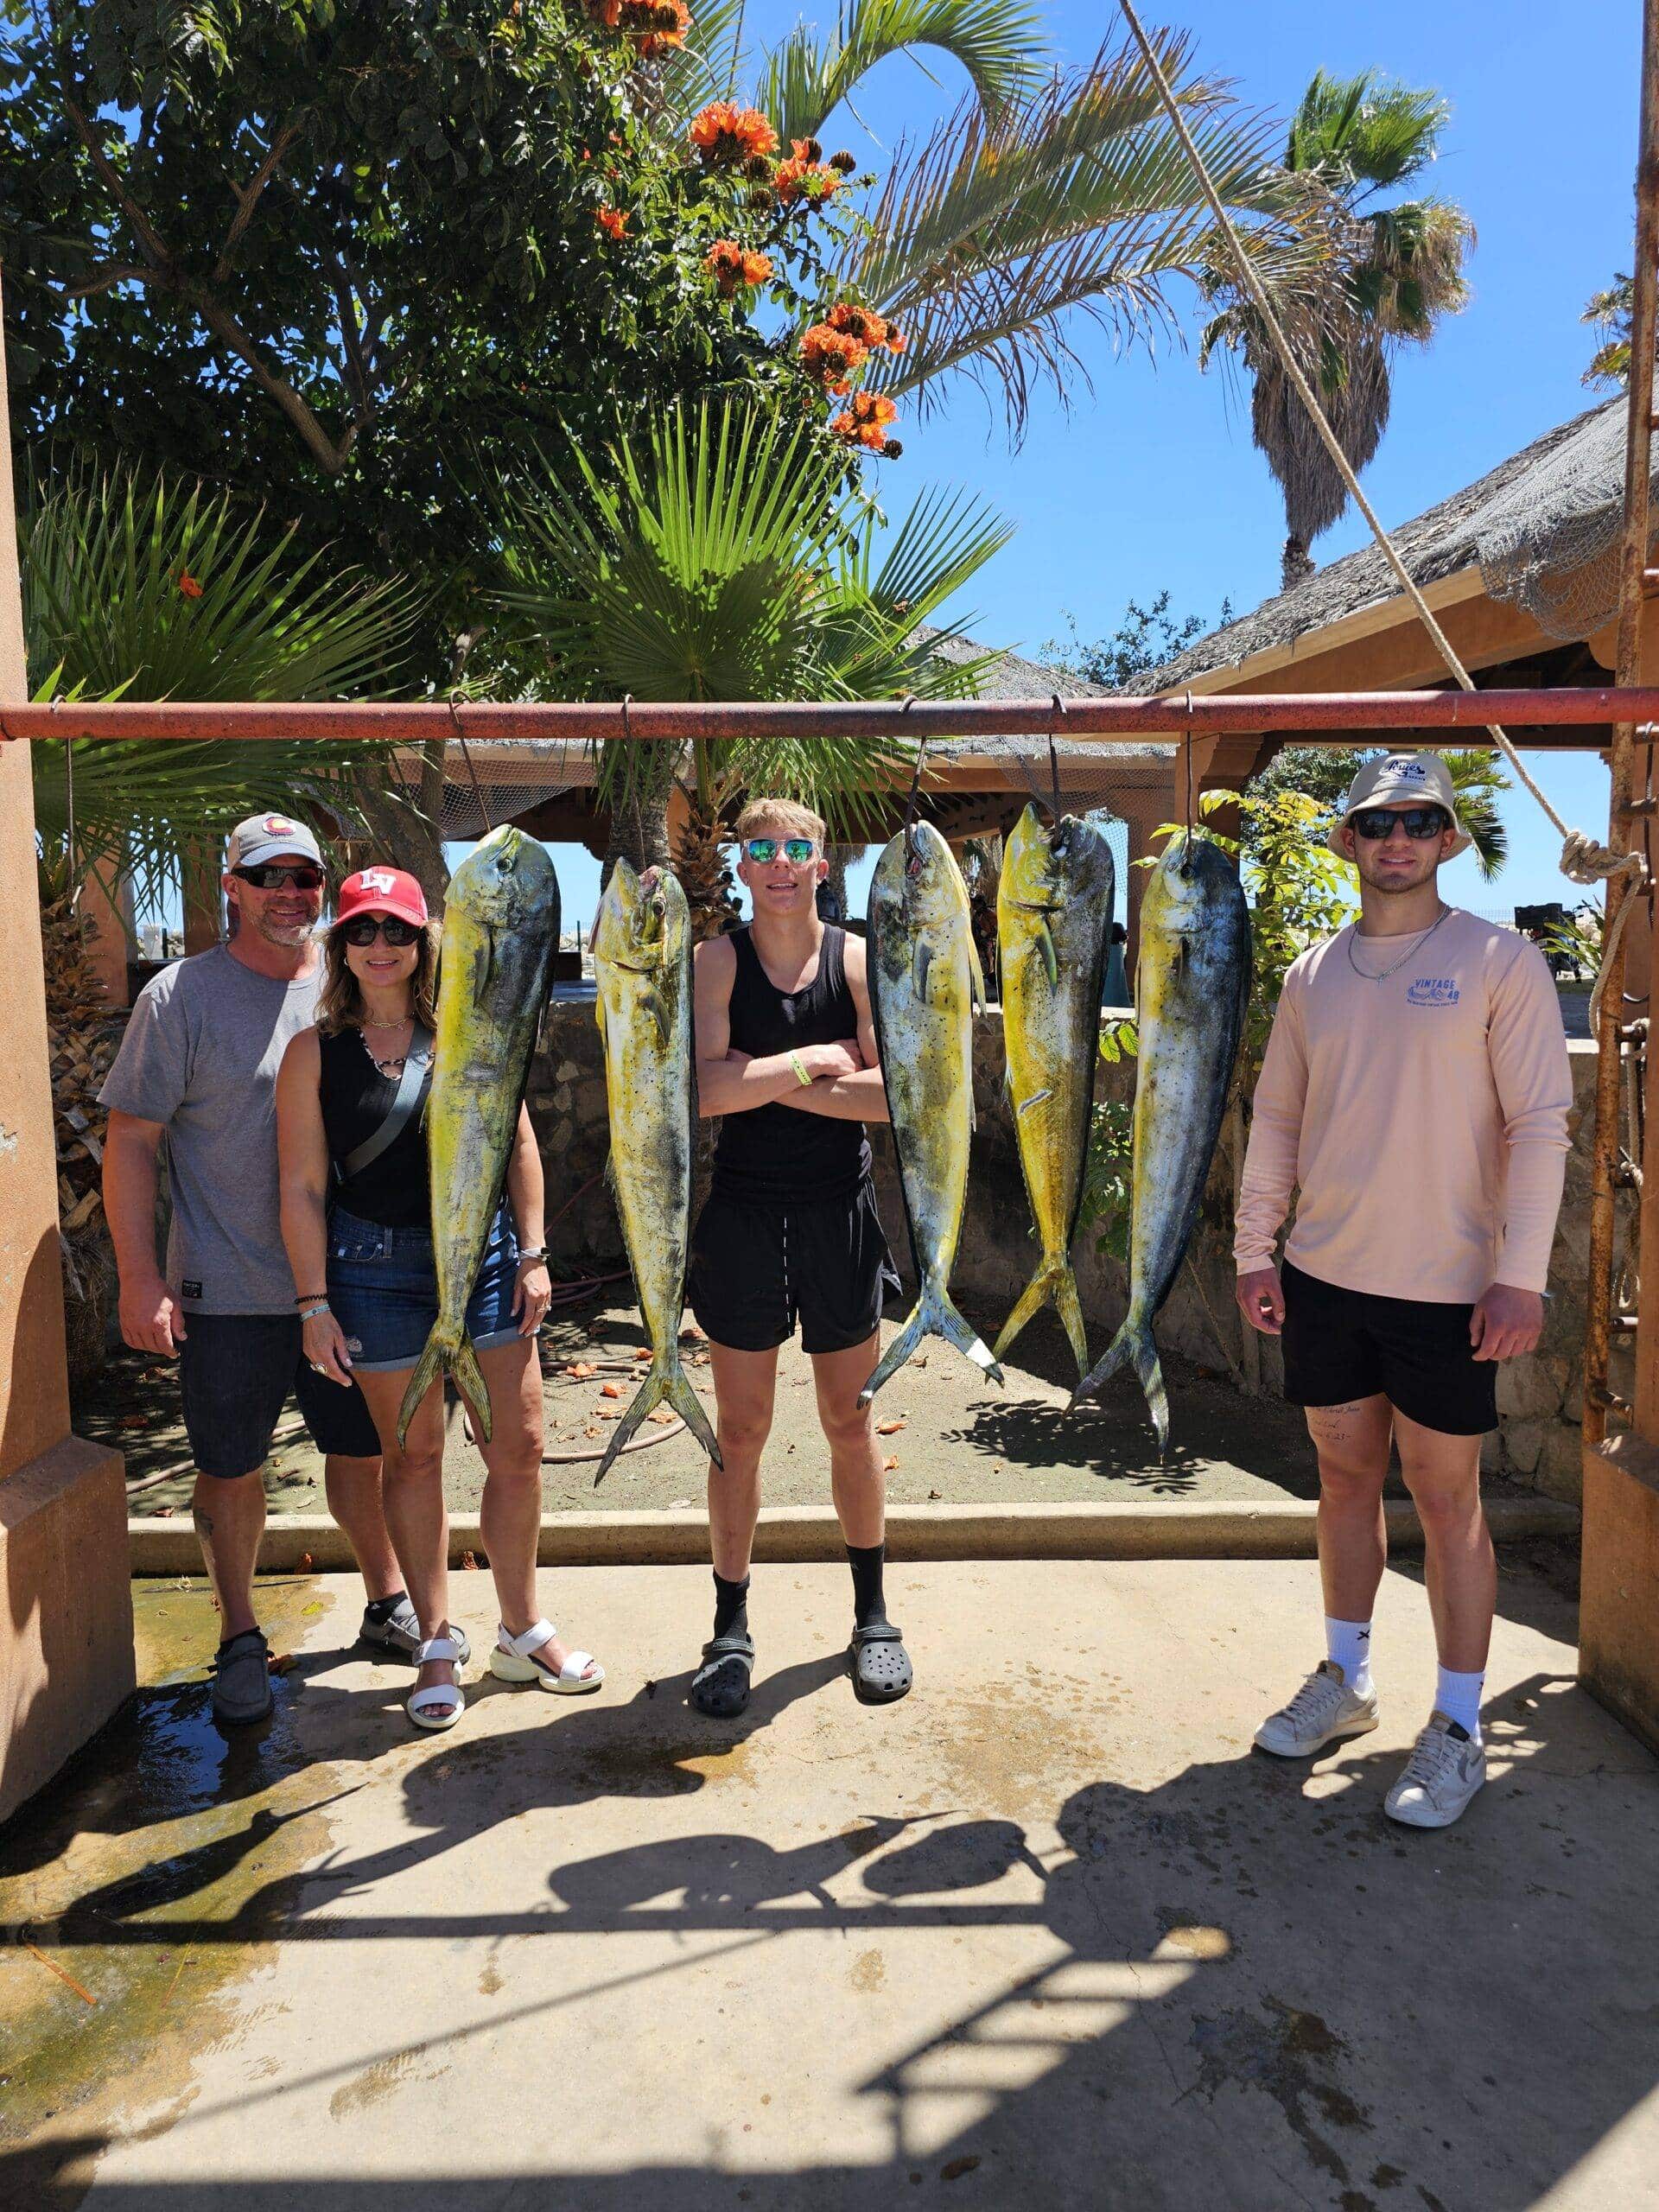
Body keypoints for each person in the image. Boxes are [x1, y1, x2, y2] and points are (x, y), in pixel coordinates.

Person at [1235, 753, 1571, 1829]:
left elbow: (1539, 1126)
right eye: (1378, 821)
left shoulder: (1498, 961)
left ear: (1450, 839)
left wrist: (1519, 1276)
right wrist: (1255, 1248)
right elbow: (1278, 1118)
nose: (1398, 839)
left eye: (1420, 821)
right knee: (1341, 1482)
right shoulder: (1311, 974)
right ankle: (1347, 1680)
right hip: (1324, 1275)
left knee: (1447, 1500)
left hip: (1447, 1291)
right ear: (1348, 838)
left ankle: (1460, 1725)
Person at [101, 816, 413, 1727]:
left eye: (306, 876)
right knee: (230, 1466)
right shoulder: (180, 996)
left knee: (361, 1453)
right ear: (229, 886)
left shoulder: (356, 977)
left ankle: (386, 1598)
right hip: (226, 1287)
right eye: (267, 875)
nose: (290, 893)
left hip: (353, 1283)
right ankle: (240, 1633)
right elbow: (130, 1142)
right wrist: (137, 1278)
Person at [276, 862, 602, 1732]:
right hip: (372, 1268)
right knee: (412, 1456)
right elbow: (303, 1187)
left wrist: (534, 1252)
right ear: (339, 947)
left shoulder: (470, 1028)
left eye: (397, 930)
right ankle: (435, 1636)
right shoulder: (314, 1053)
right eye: (361, 930)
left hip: (491, 1258)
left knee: (518, 1446)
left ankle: (522, 1628)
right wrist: (314, 1302)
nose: (379, 946)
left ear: (426, 942)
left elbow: (520, 1145)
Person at [686, 798, 906, 1718]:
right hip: (742, 1217)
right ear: (741, 865)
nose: (780, 864)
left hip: (837, 1215)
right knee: (739, 1433)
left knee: (848, 1422)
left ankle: (873, 1617)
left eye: (797, 849)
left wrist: (768, 1077)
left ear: (823, 862)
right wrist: (823, 1060)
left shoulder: (856, 958)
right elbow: (702, 1092)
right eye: (762, 850)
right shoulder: (714, 961)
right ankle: (729, 1628)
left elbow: (896, 1096)